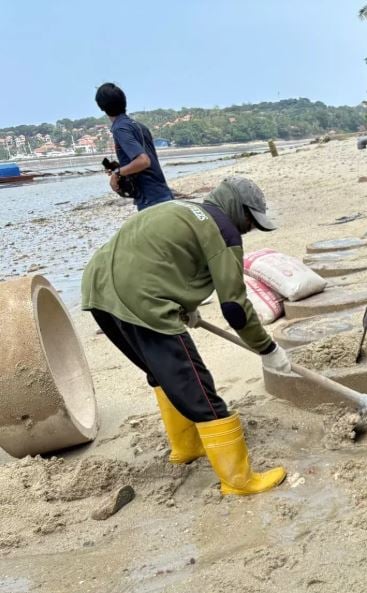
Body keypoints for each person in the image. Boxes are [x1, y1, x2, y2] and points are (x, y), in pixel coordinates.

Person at [81, 176, 291, 496]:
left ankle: (187, 446)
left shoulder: (180, 210)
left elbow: (162, 261)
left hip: (99, 293)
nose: (250, 228)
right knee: (199, 388)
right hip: (142, 302)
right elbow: (235, 308)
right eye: (251, 220)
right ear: (238, 209)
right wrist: (267, 348)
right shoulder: (223, 229)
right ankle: (239, 480)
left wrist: (185, 307)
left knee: (162, 373)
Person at [95, 83, 173, 210]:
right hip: (162, 193)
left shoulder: (120, 129)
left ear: (101, 107)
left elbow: (143, 161)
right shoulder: (139, 126)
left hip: (150, 199)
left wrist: (116, 173)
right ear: (123, 101)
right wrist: (121, 169)